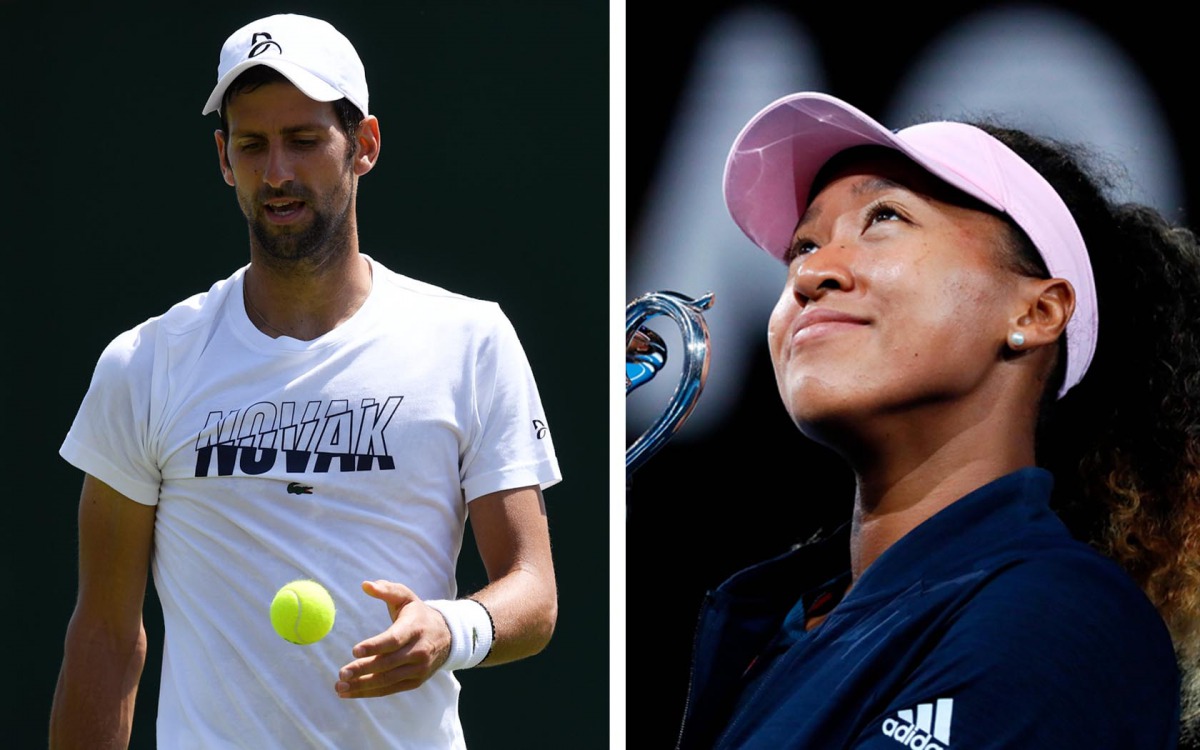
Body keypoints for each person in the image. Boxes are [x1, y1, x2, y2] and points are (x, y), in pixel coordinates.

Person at [48, 13, 560, 749]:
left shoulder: (471, 341)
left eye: (304, 140)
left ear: (365, 145)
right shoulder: (145, 363)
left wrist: (452, 628)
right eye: (253, 145)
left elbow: (534, 591)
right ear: (224, 158)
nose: (278, 173)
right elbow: (104, 635)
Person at [673, 91, 1200, 748]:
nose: (811, 273)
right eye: (804, 245)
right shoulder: (780, 632)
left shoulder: (1060, 615)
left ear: (1036, 313)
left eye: (885, 217)